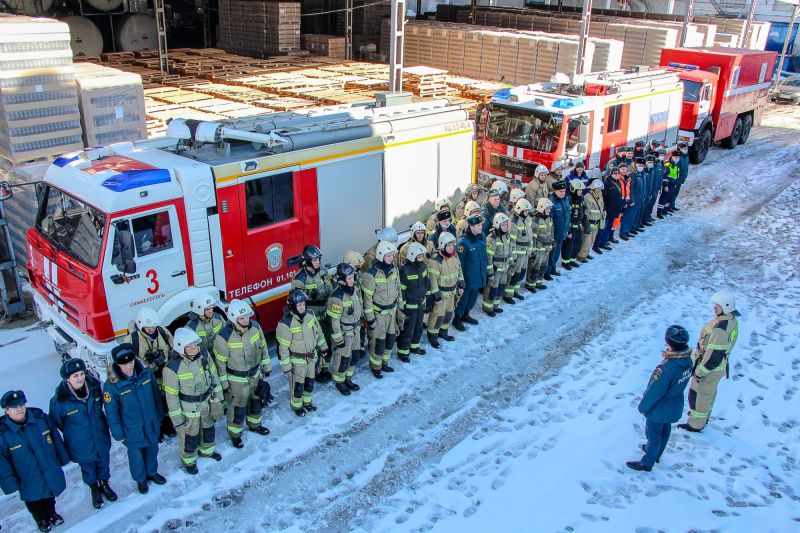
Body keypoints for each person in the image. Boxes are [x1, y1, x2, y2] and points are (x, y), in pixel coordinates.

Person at [49, 358, 116, 510]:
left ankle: (105, 484)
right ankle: (94, 488)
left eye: (81, 374)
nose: (80, 378)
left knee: (103, 463)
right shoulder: (59, 401)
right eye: (75, 376)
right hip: (80, 444)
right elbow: (57, 422)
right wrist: (76, 433)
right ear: (67, 379)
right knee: (88, 468)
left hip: (100, 437)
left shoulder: (94, 389)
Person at [627, 325, 693, 472]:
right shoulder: (688, 361)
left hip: (660, 407)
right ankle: (656, 453)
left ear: (668, 343)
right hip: (674, 404)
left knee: (654, 434)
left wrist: (643, 407)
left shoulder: (665, 369)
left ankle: (647, 462)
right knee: (665, 430)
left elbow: (654, 392)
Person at [0, 390, 69, 532]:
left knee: (49, 492)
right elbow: (2, 462)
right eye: (15, 407)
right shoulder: (3, 434)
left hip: (47, 467)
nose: (19, 409)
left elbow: (55, 439)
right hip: (26, 476)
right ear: (6, 410)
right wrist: (10, 483)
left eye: (21, 405)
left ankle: (51, 513)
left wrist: (63, 458)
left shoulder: (40, 419)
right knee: (33, 500)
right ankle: (40, 519)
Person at [103, 344, 166, 494]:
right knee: (136, 456)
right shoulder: (112, 386)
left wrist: (159, 415)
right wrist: (118, 434)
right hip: (131, 429)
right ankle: (140, 479)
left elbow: (155, 394)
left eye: (130, 362)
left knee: (152, 448)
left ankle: (152, 472)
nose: (129, 367)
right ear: (117, 365)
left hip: (150, 422)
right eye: (124, 364)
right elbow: (111, 413)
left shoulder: (145, 372)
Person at [163, 328, 224, 474]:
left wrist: (219, 398)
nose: (193, 348)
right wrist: (178, 420)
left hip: (206, 402)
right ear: (180, 347)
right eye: (189, 345)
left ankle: (207, 452)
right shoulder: (172, 368)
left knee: (208, 430)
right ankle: (189, 462)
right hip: (188, 409)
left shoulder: (203, 354)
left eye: (194, 344)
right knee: (189, 437)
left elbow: (213, 375)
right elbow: (171, 397)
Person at [678, 291, 740, 433]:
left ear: (726, 306)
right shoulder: (731, 321)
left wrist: (700, 372)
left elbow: (714, 355)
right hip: (717, 369)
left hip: (709, 369)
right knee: (708, 396)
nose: (714, 308)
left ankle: (695, 425)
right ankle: (702, 418)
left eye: (717, 306)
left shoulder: (720, 329)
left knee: (699, 396)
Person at [213, 299, 272, 445]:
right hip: (236, 380)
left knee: (256, 402)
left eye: (247, 316)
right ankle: (235, 434)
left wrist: (266, 367)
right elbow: (220, 364)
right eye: (242, 318)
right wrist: (224, 384)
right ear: (233, 318)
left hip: (254, 375)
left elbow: (263, 348)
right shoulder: (223, 337)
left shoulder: (255, 327)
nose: (246, 320)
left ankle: (255, 425)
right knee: (237, 408)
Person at [123, 307, 174, 441]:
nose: (152, 330)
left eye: (153, 327)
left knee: (167, 401)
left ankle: (168, 427)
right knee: (152, 406)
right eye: (148, 327)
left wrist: (165, 361)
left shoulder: (163, 332)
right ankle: (157, 431)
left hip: (164, 374)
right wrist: (147, 363)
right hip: (146, 379)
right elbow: (128, 363)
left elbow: (174, 348)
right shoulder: (132, 340)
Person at [277, 291, 328, 415]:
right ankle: (297, 406)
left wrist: (323, 346)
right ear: (293, 306)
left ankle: (307, 403)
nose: (302, 307)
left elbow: (318, 331)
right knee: (297, 386)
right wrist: (286, 368)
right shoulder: (285, 324)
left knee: (310, 382)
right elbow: (282, 349)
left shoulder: (310, 314)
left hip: (311, 358)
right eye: (299, 305)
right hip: (297, 362)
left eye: (303, 304)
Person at [291, 245, 334, 382]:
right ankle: (316, 372)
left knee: (327, 342)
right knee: (315, 346)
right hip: (311, 316)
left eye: (319, 259)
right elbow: (296, 304)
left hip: (325, 311)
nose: (318, 262)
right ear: (308, 261)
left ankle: (325, 369)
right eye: (315, 260)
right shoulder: (300, 279)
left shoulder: (322, 271)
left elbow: (330, 289)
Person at [362, 241, 402, 379]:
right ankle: (376, 367)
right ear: (380, 255)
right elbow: (367, 299)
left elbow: (398, 289)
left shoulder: (394, 269)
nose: (391, 258)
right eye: (388, 255)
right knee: (378, 342)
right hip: (378, 316)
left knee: (390, 339)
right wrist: (370, 319)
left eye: (392, 255)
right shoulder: (370, 274)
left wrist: (400, 309)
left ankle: (385, 363)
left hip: (391, 312)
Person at [327, 263, 364, 394]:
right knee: (342, 359)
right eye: (349, 278)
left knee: (354, 356)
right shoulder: (336, 298)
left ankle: (348, 379)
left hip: (356, 330)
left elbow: (360, 306)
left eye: (352, 277)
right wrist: (338, 340)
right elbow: (334, 322)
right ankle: (339, 381)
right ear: (342, 279)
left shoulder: (356, 289)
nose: (352, 280)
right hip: (345, 333)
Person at [425, 233, 464, 349]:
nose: (452, 247)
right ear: (442, 245)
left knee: (448, 314)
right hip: (441, 295)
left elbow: (459, 270)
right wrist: (437, 296)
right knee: (437, 316)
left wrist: (461, 285)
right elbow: (432, 281)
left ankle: (443, 332)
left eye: (452, 245)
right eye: (449, 245)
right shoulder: (435, 261)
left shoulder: (455, 256)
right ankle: (433, 336)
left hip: (452, 293)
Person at [396, 243, 430, 362]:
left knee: (418, 327)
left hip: (420, 304)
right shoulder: (405, 270)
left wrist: (427, 299)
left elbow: (427, 283)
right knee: (407, 331)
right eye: (419, 257)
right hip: (409, 307)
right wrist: (403, 307)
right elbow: (402, 291)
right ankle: (403, 352)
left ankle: (415, 346)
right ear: (412, 256)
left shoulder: (423, 267)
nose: (421, 259)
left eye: (422, 257)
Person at [453, 214, 487, 330]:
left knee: (473, 297)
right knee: (463, 299)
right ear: (471, 227)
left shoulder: (481, 237)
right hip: (467, 277)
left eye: (481, 225)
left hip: (478, 275)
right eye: (477, 225)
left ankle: (466, 314)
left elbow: (483, 257)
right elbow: (459, 263)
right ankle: (457, 317)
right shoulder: (463, 242)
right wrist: (461, 281)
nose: (480, 227)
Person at [482, 213, 512, 316]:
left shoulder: (506, 236)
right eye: (503, 225)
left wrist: (511, 264)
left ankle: (495, 305)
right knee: (491, 289)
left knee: (501, 287)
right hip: (496, 269)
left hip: (504, 267)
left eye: (506, 225)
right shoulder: (492, 238)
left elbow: (510, 251)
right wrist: (490, 273)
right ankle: (488, 307)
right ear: (497, 224)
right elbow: (488, 257)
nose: (505, 227)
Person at [507, 198, 534, 299]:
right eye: (525, 211)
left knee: (521, 273)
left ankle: (515, 291)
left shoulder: (527, 219)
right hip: (518, 253)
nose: (527, 213)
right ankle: (508, 294)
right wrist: (513, 256)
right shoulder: (513, 222)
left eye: (528, 211)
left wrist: (530, 249)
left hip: (526, 252)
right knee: (515, 274)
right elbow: (512, 242)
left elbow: (530, 235)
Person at [526, 198, 555, 291]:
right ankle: (530, 284)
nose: (549, 211)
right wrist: (533, 251)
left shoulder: (549, 218)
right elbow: (533, 237)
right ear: (542, 208)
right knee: (535, 268)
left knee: (543, 267)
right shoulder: (536, 221)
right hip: (539, 249)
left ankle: (539, 282)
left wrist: (552, 243)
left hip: (546, 249)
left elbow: (551, 231)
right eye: (547, 209)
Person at [561, 180, 588, 271]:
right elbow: (567, 216)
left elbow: (583, 211)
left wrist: (585, 223)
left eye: (581, 190)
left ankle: (572, 260)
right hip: (572, 226)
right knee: (568, 245)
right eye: (578, 190)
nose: (580, 192)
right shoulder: (569, 199)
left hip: (579, 226)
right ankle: (566, 262)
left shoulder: (581, 199)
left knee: (578, 244)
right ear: (573, 189)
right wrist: (568, 230)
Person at [545, 179, 570, 280]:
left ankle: (553, 268)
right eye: (560, 191)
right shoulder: (551, 202)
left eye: (564, 191)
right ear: (555, 191)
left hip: (562, 232)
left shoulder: (565, 200)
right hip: (554, 234)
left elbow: (567, 216)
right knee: (551, 254)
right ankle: (547, 272)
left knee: (557, 253)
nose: (563, 193)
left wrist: (568, 229)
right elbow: (549, 220)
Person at [597, 167, 623, 251]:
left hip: (614, 209)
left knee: (609, 227)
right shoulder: (607, 183)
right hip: (608, 209)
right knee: (602, 228)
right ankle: (597, 244)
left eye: (618, 173)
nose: (616, 175)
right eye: (614, 173)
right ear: (611, 174)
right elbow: (604, 196)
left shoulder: (618, 183)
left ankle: (604, 242)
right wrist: (604, 209)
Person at [582, 177, 605, 261]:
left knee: (591, 240)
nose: (599, 190)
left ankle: (586, 253)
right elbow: (586, 212)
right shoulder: (588, 197)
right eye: (598, 188)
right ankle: (582, 256)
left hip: (596, 223)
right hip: (589, 223)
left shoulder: (600, 197)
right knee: (586, 241)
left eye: (600, 188)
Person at [657, 151, 681, 219]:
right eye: (676, 157)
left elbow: (677, 175)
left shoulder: (677, 164)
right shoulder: (668, 164)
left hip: (673, 183)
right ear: (672, 157)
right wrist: (665, 185)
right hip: (668, 184)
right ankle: (660, 212)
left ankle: (665, 210)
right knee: (664, 198)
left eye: (678, 157)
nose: (677, 158)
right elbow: (665, 176)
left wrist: (676, 183)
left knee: (669, 198)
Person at [670, 141, 690, 212]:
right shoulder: (678, 156)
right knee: (672, 192)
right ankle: (669, 205)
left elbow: (686, 167)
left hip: (681, 177)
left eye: (686, 148)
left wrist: (685, 176)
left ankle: (672, 204)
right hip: (676, 178)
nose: (686, 149)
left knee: (676, 192)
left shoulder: (686, 156)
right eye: (684, 148)